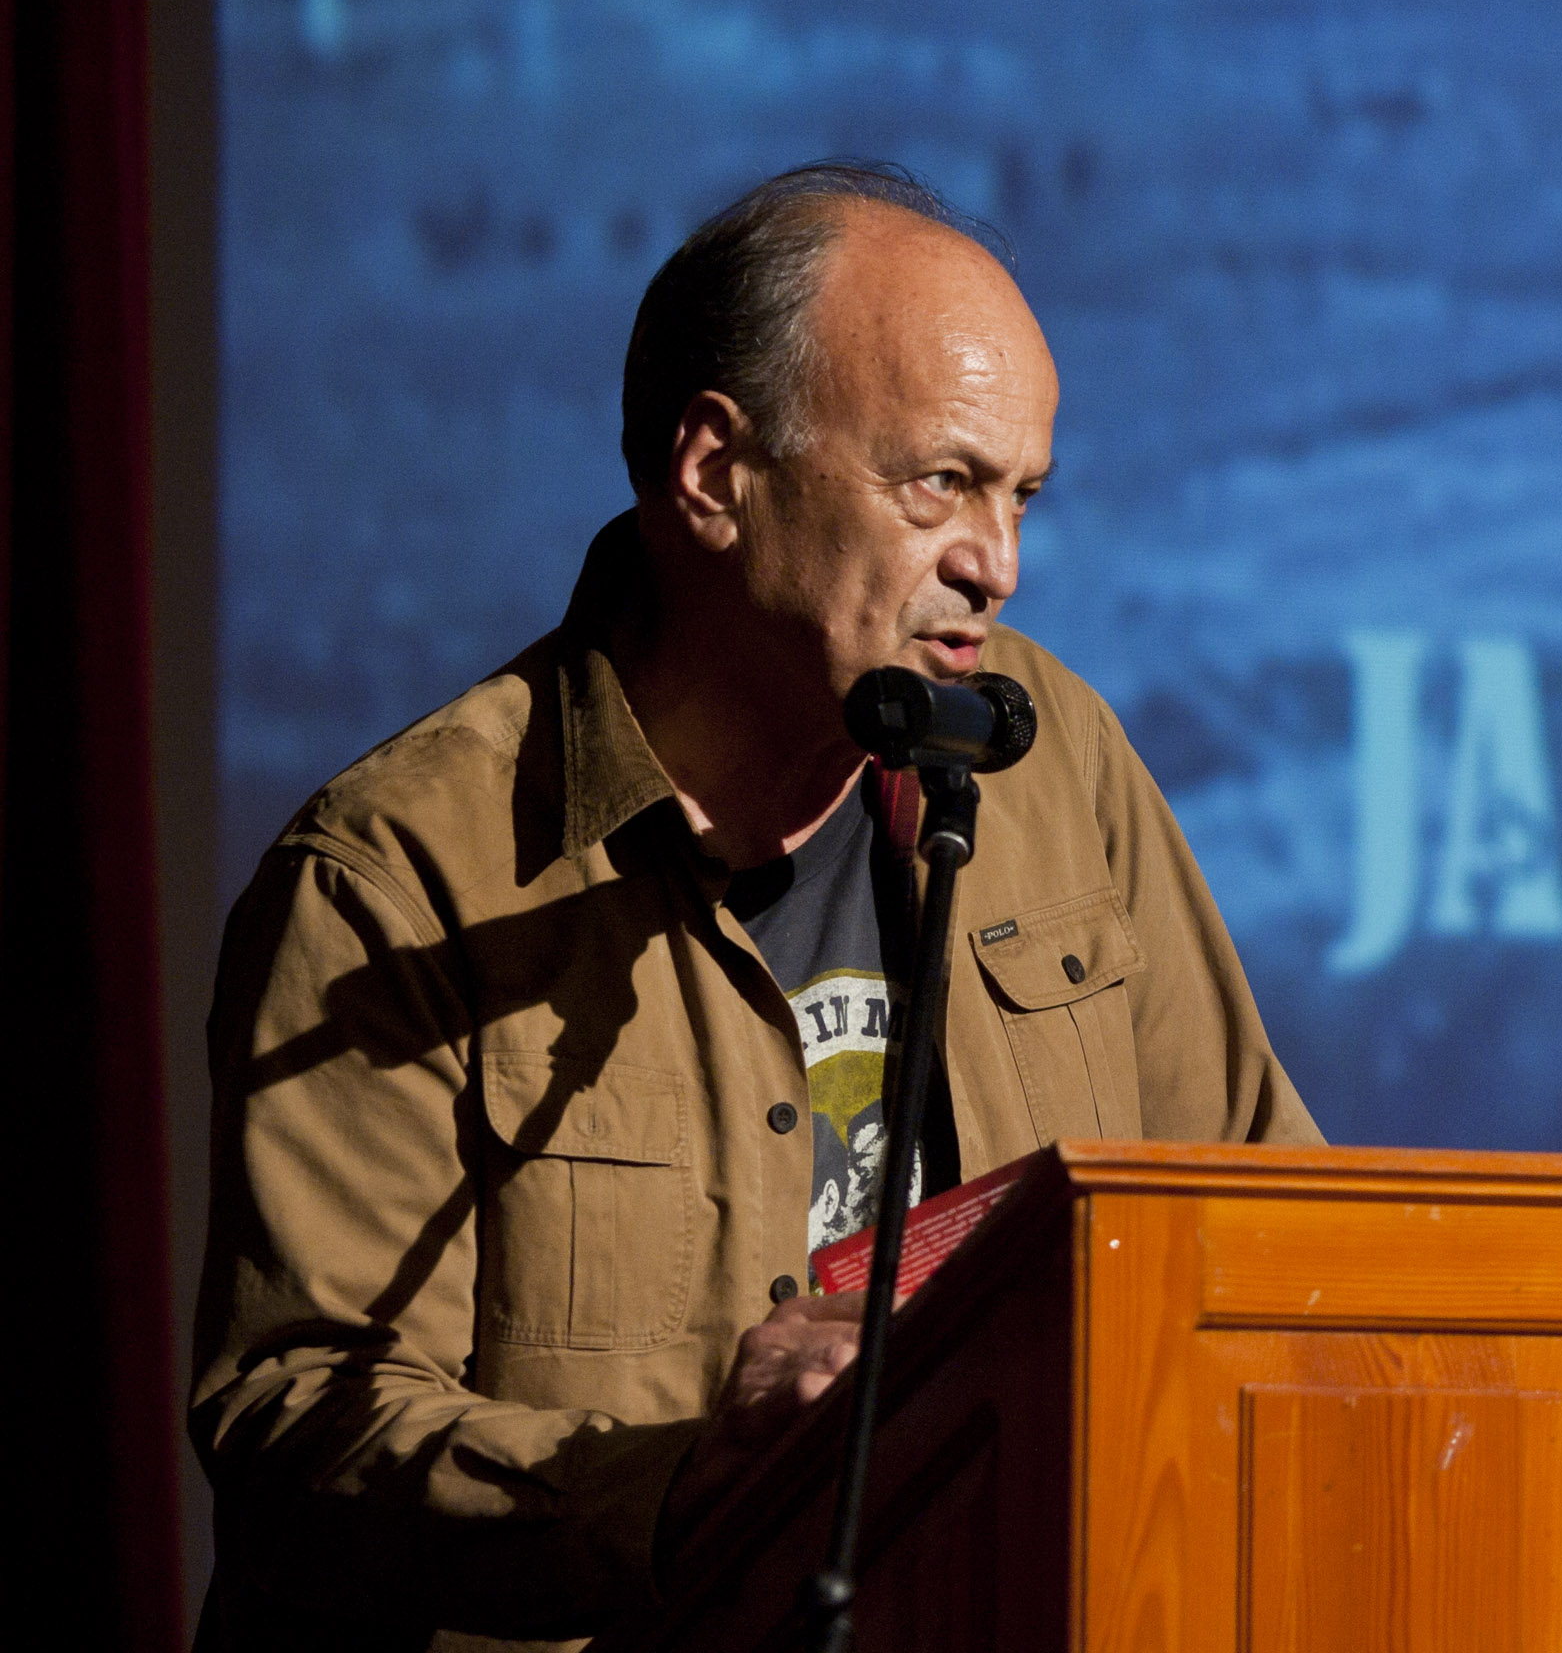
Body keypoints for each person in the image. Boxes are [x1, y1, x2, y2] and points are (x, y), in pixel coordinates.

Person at [191, 163, 1319, 1653]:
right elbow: (293, 1429)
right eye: (942, 484)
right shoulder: (397, 876)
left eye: (1021, 493)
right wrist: (676, 1493)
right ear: (716, 474)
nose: (999, 560)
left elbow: (1263, 1218)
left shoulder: (1052, 759)